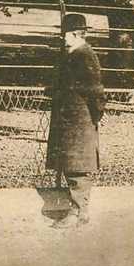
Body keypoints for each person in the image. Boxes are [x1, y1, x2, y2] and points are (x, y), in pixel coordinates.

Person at [45, 13, 106, 228]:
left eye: (65, 34)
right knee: (70, 162)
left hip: (80, 118)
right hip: (68, 117)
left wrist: (94, 115)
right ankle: (78, 210)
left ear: (73, 34)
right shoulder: (71, 53)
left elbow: (96, 89)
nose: (62, 38)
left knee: (78, 164)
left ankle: (78, 211)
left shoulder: (84, 55)